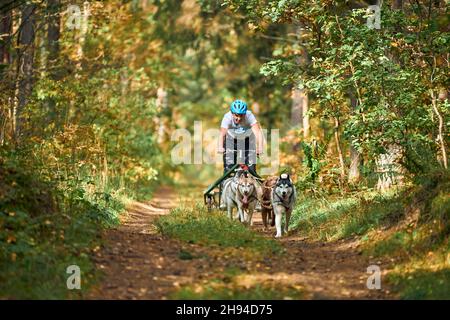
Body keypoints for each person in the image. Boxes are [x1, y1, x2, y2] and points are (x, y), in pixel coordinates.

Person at [217, 99, 263, 176]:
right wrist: (220, 147)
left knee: (251, 170)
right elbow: (222, 134)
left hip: (247, 140)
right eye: (236, 115)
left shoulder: (249, 116)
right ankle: (224, 185)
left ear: (245, 114)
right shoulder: (227, 117)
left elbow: (258, 133)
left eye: (241, 115)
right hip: (231, 141)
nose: (239, 118)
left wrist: (260, 147)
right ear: (232, 113)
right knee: (229, 169)